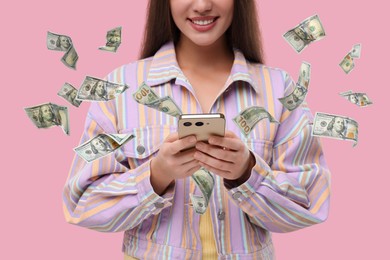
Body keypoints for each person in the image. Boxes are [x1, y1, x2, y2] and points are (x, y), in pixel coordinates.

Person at [63, 0, 331, 259]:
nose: (202, 5)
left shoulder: (278, 89)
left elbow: (310, 202)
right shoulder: (121, 87)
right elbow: (82, 204)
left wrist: (247, 172)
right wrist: (156, 176)